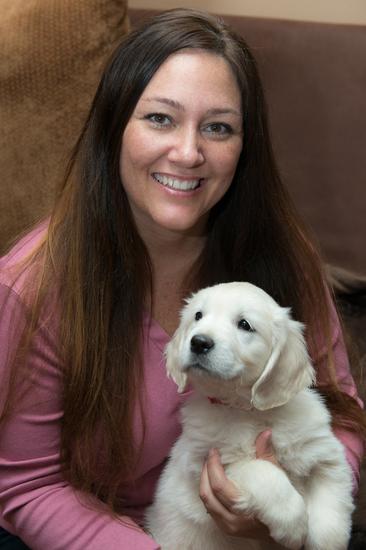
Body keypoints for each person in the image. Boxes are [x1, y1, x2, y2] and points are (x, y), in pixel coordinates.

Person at [0, 8, 365, 550]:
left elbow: (342, 416)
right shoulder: (32, 286)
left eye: (218, 127)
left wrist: (287, 512)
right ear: (113, 128)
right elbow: (30, 486)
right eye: (160, 119)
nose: (189, 152)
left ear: (244, 148)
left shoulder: (285, 254)